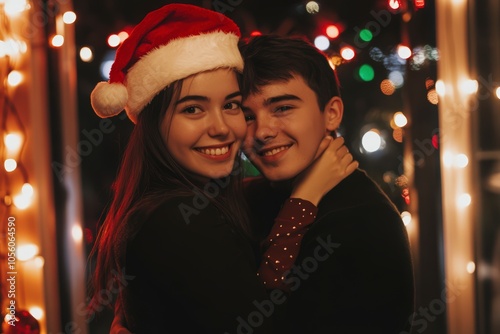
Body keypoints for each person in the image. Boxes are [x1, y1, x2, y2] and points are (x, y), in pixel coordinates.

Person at [88, 4, 356, 334]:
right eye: (193, 109)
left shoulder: (191, 201)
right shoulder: (177, 219)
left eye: (230, 105)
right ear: (154, 124)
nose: (221, 127)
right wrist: (306, 197)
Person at [239, 34, 415, 333]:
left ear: (331, 113)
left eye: (282, 107)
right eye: (246, 116)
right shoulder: (247, 199)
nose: (262, 131)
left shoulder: (361, 221)